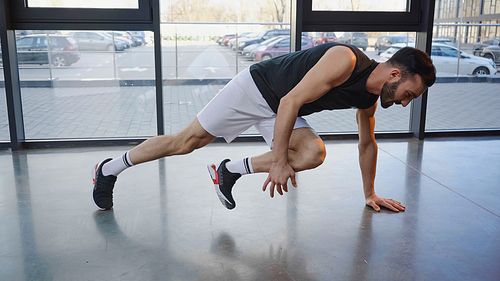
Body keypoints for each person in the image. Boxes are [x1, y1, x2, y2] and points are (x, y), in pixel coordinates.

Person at [92, 43, 436, 213]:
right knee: (187, 142)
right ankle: (109, 168)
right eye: (409, 94)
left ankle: (228, 171)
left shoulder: (368, 99)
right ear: (395, 75)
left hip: (281, 109)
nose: (405, 102)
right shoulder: (345, 59)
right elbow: (290, 102)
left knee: (312, 152)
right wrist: (278, 161)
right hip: (256, 90)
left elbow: (367, 144)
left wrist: (369, 194)